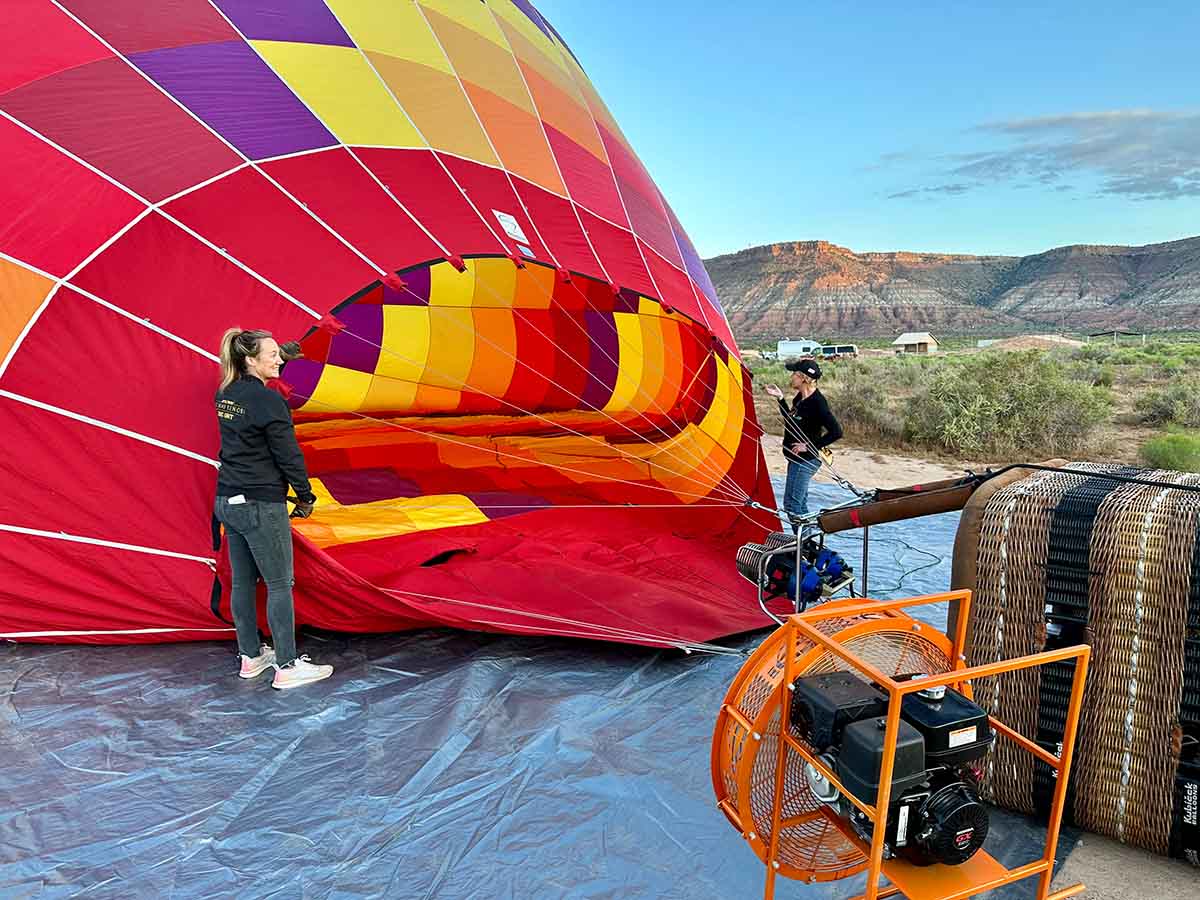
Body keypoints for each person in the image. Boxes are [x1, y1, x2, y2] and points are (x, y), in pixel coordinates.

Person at [214, 328, 332, 690]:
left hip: (227, 500)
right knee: (281, 584)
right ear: (250, 359)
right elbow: (288, 455)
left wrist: (285, 352)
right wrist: (305, 495)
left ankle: (251, 657)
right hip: (260, 502)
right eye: (271, 354)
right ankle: (287, 665)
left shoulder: (227, 393)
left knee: (245, 582)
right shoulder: (268, 401)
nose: (279, 359)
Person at [765, 359, 843, 532]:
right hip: (795, 459)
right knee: (799, 504)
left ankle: (804, 546)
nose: (791, 377)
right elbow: (791, 421)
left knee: (792, 504)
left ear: (803, 378)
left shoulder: (818, 403)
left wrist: (809, 446)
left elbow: (836, 432)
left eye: (794, 374)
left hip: (805, 461)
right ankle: (807, 544)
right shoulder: (800, 398)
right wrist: (780, 399)